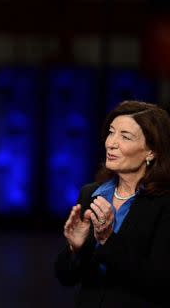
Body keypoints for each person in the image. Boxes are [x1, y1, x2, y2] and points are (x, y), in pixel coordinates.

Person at [55, 100, 170, 307]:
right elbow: (66, 278)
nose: (111, 143)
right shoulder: (91, 194)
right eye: (111, 132)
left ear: (151, 152)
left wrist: (108, 240)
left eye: (125, 137)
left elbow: (160, 283)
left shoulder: (164, 204)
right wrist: (75, 248)